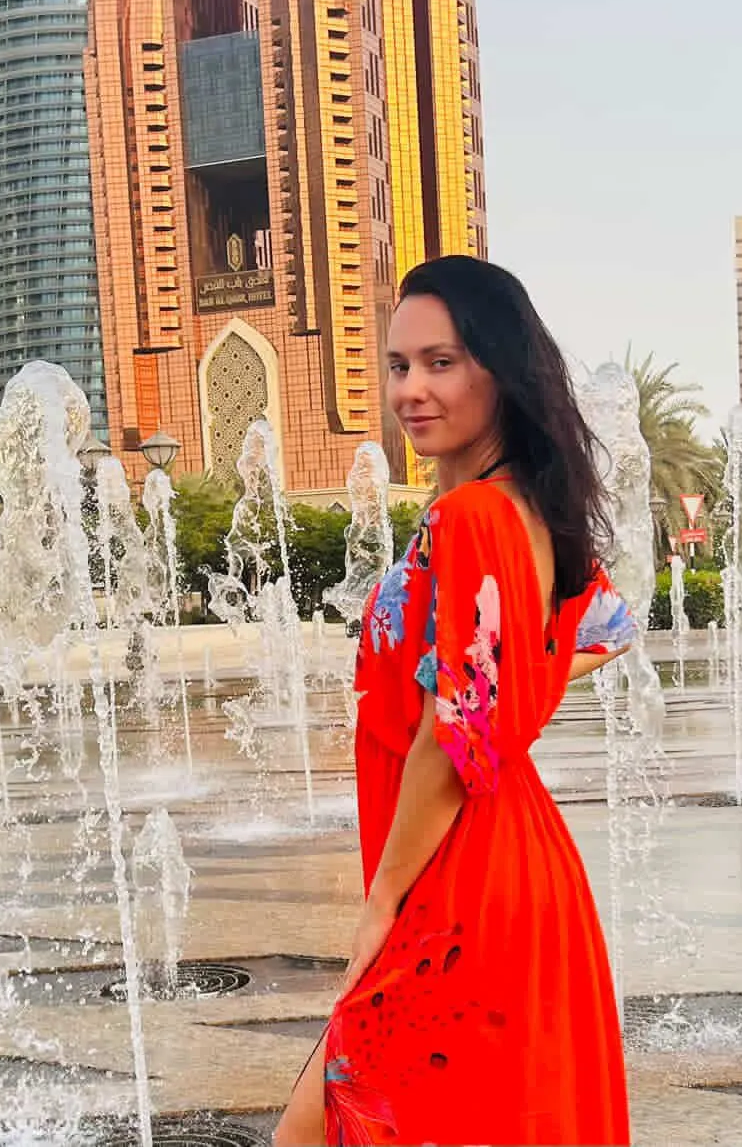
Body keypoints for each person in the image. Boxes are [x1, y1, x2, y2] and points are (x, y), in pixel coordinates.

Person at [275, 255, 635, 1147]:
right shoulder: (524, 509)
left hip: (459, 875)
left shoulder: (472, 517)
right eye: (399, 366)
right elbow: (604, 629)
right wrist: (519, 681)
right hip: (504, 857)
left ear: (500, 370)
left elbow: (457, 729)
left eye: (443, 362)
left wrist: (382, 902)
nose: (412, 390)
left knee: (320, 1130)